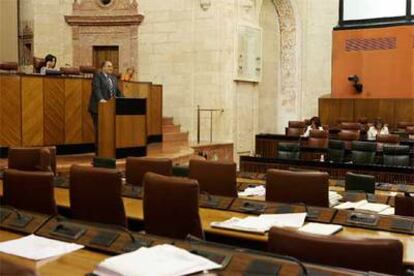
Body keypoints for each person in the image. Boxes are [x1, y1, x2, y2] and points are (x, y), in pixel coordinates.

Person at [88, 61, 124, 147]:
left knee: (108, 129)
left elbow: (118, 92)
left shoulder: (113, 78)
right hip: (98, 108)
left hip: (110, 109)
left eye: (111, 66)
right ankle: (99, 149)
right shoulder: (97, 76)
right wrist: (101, 99)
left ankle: (107, 148)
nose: (111, 68)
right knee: (99, 129)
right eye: (108, 66)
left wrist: (124, 99)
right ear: (103, 68)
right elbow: (97, 89)